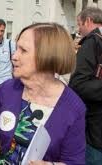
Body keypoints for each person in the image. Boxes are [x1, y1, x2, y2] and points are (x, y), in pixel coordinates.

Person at [0, 23, 86, 164]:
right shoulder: (8, 89)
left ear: (47, 56)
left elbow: (74, 161)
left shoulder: (73, 108)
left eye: (23, 50)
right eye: (17, 48)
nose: (14, 56)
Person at [69, 7, 102, 164]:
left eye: (79, 24)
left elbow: (77, 84)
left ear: (88, 21)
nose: (78, 29)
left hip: (96, 129)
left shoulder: (92, 42)